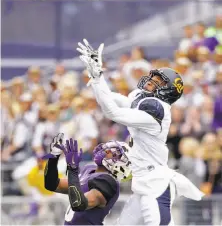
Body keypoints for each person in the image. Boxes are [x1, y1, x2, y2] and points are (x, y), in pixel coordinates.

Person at [77, 39, 204, 225]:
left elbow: (113, 112)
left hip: (156, 183)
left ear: (168, 90)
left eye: (159, 81)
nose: (152, 80)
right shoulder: (141, 99)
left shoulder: (157, 108)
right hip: (142, 182)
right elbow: (112, 99)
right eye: (154, 77)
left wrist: (97, 79)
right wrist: (96, 74)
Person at [43, 133, 131, 225]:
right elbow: (52, 184)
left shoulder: (108, 182)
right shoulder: (90, 169)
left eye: (115, 153)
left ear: (120, 165)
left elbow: (79, 204)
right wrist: (53, 157)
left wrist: (72, 170)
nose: (107, 150)